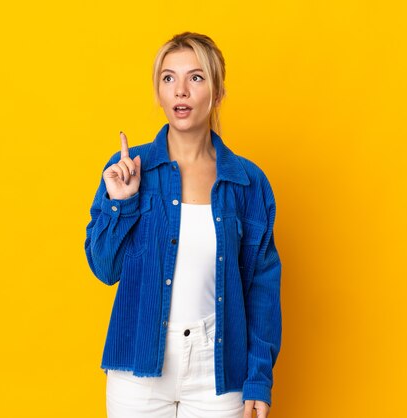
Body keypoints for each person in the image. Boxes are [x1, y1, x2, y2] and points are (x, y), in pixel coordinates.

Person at [85, 32, 282, 418]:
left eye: (196, 78)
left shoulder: (247, 181)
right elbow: (104, 269)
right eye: (168, 78)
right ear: (158, 92)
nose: (181, 91)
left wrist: (259, 377)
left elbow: (262, 286)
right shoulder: (129, 169)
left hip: (218, 369)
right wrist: (120, 203)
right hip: (137, 367)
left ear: (218, 91)